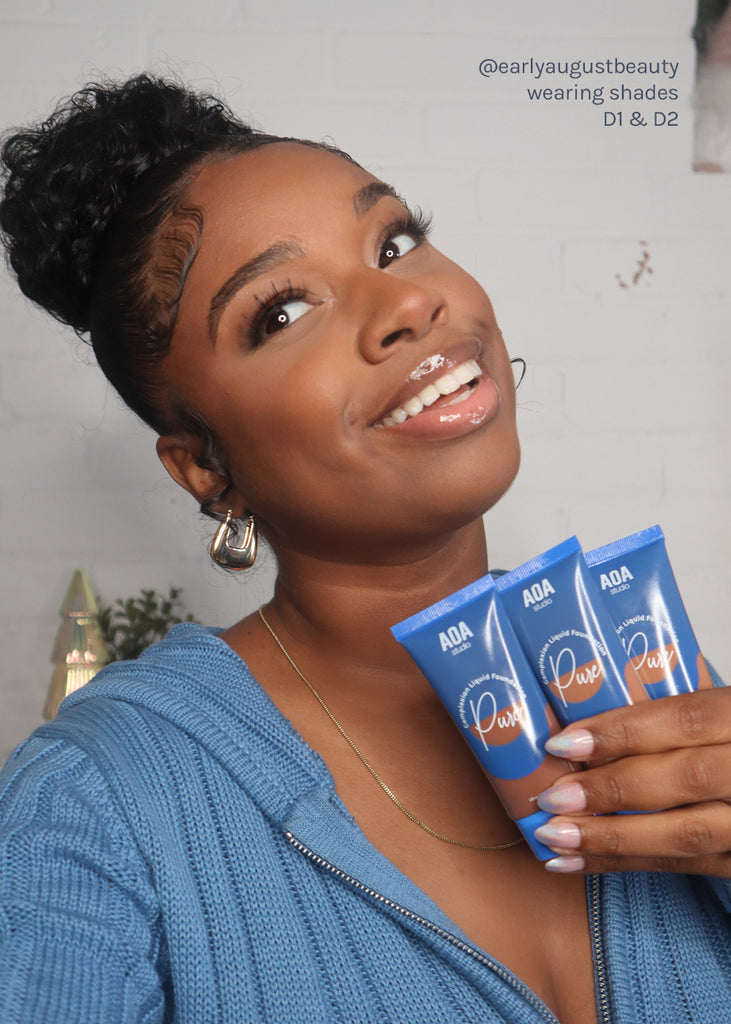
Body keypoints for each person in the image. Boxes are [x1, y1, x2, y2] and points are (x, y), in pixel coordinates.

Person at [0, 74, 728, 1024]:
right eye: (282, 313)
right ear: (204, 467)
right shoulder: (91, 806)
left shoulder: (632, 666)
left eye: (393, 242)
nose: (407, 304)